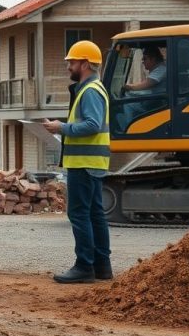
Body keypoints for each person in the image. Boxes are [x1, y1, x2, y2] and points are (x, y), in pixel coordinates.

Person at [41, 40, 112, 284]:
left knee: (79, 214)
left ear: (85, 63)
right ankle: (102, 266)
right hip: (92, 162)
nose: (68, 66)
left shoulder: (90, 91)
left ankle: (84, 266)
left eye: (72, 62)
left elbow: (92, 124)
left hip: (84, 163)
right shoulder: (93, 89)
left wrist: (61, 127)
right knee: (95, 214)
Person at [118, 46, 166, 130]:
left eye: (145, 59)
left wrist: (128, 87)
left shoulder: (161, 69)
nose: (142, 61)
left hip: (159, 102)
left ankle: (128, 129)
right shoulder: (158, 69)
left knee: (128, 103)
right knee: (130, 96)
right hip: (156, 99)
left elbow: (145, 85)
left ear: (153, 59)